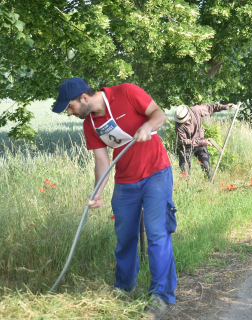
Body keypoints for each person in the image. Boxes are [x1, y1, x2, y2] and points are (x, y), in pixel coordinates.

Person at [52, 77, 176, 320]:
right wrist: (97, 192)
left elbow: (159, 115)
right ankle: (124, 288)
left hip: (156, 173)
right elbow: (102, 160)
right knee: (125, 237)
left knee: (156, 233)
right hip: (125, 182)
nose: (69, 111)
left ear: (84, 98)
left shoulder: (127, 92)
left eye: (70, 106)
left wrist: (148, 127)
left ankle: (161, 296)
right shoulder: (90, 124)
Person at [174, 102, 233, 179]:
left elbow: (209, 108)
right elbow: (184, 141)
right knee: (184, 170)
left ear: (188, 114)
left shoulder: (196, 110)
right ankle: (186, 188)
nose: (183, 122)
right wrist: (202, 142)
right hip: (187, 147)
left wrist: (224, 107)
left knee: (206, 167)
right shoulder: (178, 125)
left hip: (201, 143)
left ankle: (211, 187)